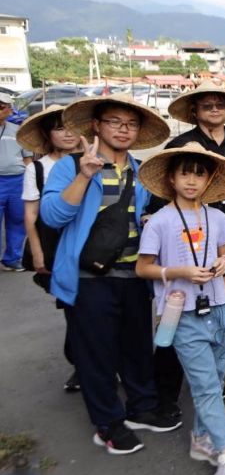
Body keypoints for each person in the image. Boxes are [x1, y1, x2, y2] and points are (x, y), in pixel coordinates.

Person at [42, 93, 178, 455]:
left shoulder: (142, 171)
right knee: (97, 354)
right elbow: (52, 216)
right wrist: (84, 176)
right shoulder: (71, 166)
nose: (123, 129)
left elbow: (150, 218)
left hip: (134, 275)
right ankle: (108, 424)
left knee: (137, 347)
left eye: (130, 124)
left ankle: (142, 408)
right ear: (96, 126)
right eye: (114, 122)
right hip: (89, 278)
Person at [135, 143, 225, 475]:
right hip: (181, 313)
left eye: (199, 174)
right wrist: (179, 271)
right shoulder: (160, 221)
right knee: (206, 387)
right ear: (171, 178)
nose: (191, 180)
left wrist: (223, 264)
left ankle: (201, 437)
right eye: (184, 173)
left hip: (218, 308)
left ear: (209, 180)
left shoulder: (218, 218)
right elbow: (142, 268)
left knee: (214, 378)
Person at [163, 82, 225, 366]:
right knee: (199, 293)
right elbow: (164, 193)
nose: (214, 109)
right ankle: (204, 346)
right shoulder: (180, 145)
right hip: (194, 233)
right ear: (194, 111)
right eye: (207, 105)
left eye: (220, 104)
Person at [17, 105, 80, 391]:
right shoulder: (38, 169)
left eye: (71, 127)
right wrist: (38, 253)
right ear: (47, 134)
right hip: (55, 247)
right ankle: (80, 364)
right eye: (59, 128)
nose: (67, 134)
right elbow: (31, 214)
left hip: (90, 245)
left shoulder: (95, 161)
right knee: (73, 307)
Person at [0, 92, 32, 271]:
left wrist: (31, 180)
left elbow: (27, 158)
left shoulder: (17, 131)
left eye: (3, 107)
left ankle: (12, 258)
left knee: (17, 220)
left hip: (17, 181)